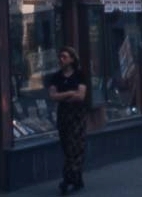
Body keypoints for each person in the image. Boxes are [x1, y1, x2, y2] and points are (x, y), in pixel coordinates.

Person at [47, 46, 88, 194]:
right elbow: (52, 96)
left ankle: (68, 178)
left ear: (71, 59)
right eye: (60, 57)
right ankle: (77, 178)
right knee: (66, 145)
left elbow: (81, 96)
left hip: (77, 115)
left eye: (64, 57)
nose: (61, 59)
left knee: (76, 146)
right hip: (64, 115)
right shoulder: (56, 77)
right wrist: (70, 92)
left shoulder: (79, 75)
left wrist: (63, 95)